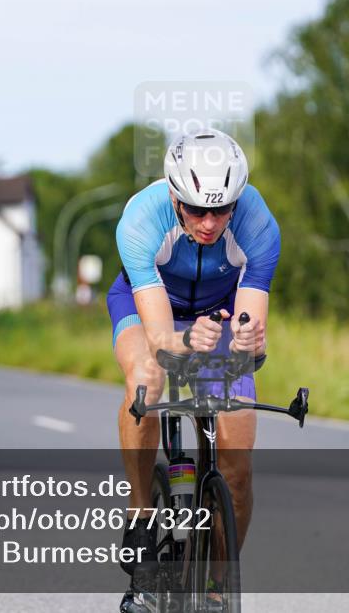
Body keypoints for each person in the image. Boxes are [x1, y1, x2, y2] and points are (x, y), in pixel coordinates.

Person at [109, 129, 280, 611]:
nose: (209, 222)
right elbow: (161, 339)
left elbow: (249, 323)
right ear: (174, 197)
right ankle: (141, 514)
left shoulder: (259, 224)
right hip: (149, 306)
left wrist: (248, 340)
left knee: (238, 469)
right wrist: (184, 341)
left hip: (217, 312)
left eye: (222, 210)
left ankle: (216, 586)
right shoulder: (141, 220)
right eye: (196, 209)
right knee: (147, 376)